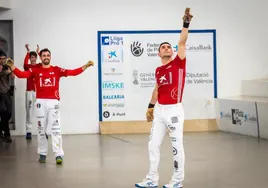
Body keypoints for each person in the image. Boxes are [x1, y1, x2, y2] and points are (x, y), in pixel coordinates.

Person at [135, 8, 193, 188]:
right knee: (153, 145)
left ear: (172, 51)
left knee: (177, 147)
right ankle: (152, 180)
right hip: (160, 110)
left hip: (175, 110)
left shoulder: (179, 62)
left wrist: (185, 24)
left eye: (169, 46)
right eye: (163, 47)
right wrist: (150, 106)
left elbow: (182, 42)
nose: (166, 48)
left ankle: (177, 181)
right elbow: (157, 89)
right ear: (158, 53)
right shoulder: (158, 70)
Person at [5, 48, 94, 164]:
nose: (46, 57)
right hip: (40, 102)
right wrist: (13, 67)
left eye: (48, 55)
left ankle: (58, 155)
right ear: (40, 57)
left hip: (54, 102)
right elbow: (22, 75)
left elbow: (72, 72)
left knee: (56, 129)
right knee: (41, 129)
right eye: (44, 56)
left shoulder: (56, 70)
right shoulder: (35, 70)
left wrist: (85, 66)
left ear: (50, 57)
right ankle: (42, 153)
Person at [23, 44, 41, 139]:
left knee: (41, 111)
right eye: (31, 57)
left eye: (34, 57)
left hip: (38, 92)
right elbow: (25, 62)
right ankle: (28, 131)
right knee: (29, 111)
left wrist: (38, 51)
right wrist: (28, 51)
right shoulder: (27, 66)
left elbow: (44, 61)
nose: (33, 59)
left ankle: (42, 131)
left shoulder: (39, 66)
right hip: (29, 91)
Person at [0, 50, 14, 142]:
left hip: (7, 92)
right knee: (3, 111)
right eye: (0, 59)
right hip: (0, 93)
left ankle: (2, 130)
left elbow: (13, 76)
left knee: (8, 113)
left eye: (4, 58)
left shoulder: (8, 66)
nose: (2, 60)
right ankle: (7, 134)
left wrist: (10, 69)